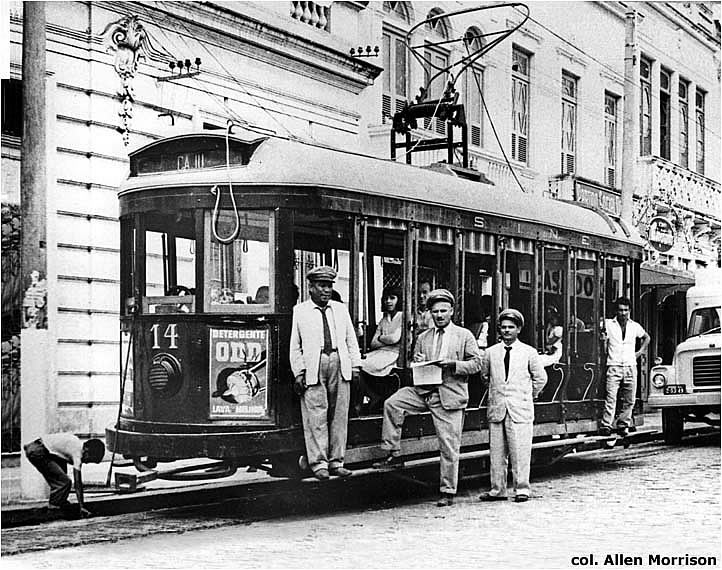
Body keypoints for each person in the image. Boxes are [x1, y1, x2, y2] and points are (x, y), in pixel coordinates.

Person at [374, 289, 482, 507]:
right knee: (392, 403)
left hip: (449, 395)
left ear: (452, 311)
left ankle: (447, 491)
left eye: (443, 311)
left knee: (449, 445)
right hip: (424, 390)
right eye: (435, 312)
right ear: (430, 313)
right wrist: (419, 361)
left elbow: (477, 364)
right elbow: (415, 361)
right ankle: (391, 451)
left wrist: (453, 364)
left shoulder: (464, 336)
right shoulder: (423, 337)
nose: (439, 315)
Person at [289, 265, 362, 480]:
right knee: (315, 415)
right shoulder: (300, 311)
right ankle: (319, 463)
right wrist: (299, 372)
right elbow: (295, 346)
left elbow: (351, 340)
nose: (326, 290)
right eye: (321, 286)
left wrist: (355, 366)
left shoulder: (340, 309)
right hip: (314, 364)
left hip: (339, 362)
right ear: (310, 287)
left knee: (339, 415)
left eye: (329, 285)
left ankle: (337, 461)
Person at [479, 309, 547, 503]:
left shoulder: (528, 352)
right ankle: (497, 489)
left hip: (520, 409)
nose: (506, 331)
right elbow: (485, 377)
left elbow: (541, 378)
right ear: (499, 329)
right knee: (497, 452)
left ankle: (522, 489)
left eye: (511, 327)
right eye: (503, 327)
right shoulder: (491, 353)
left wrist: (528, 395)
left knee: (520, 450)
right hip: (497, 407)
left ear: (518, 329)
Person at [600, 297, 651, 437]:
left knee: (630, 398)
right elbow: (596, 331)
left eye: (626, 310)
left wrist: (639, 352)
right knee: (611, 397)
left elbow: (647, 337)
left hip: (630, 365)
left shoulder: (634, 326)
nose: (623, 313)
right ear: (616, 310)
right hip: (614, 365)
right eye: (621, 310)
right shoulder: (608, 324)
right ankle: (606, 425)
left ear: (629, 311)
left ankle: (623, 424)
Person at [23, 433, 105, 517]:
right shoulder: (77, 452)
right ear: (86, 450)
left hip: (37, 448)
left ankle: (60, 504)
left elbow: (59, 461)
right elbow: (77, 483)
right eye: (88, 460)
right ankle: (52, 511)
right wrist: (82, 506)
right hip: (38, 451)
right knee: (64, 482)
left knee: (62, 478)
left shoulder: (75, 444)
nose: (86, 462)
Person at [360, 287, 403, 406]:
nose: (388, 301)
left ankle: (374, 396)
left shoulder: (403, 317)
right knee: (357, 363)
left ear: (399, 300)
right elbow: (373, 343)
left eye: (392, 298)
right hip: (380, 352)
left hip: (394, 354)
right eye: (386, 299)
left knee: (363, 364)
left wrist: (381, 338)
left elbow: (395, 338)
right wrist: (385, 339)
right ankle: (372, 395)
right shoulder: (384, 319)